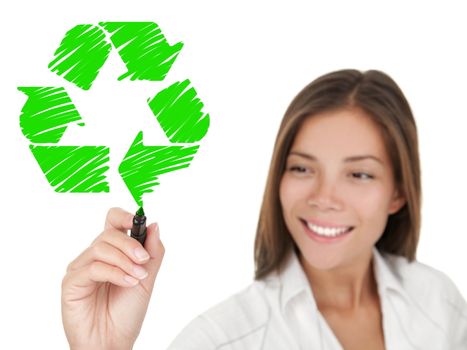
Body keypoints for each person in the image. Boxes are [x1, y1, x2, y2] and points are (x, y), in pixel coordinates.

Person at [61, 69, 467, 349]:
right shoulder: (224, 339)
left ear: (398, 193)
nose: (324, 197)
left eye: (359, 174)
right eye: (302, 168)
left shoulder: (438, 302)